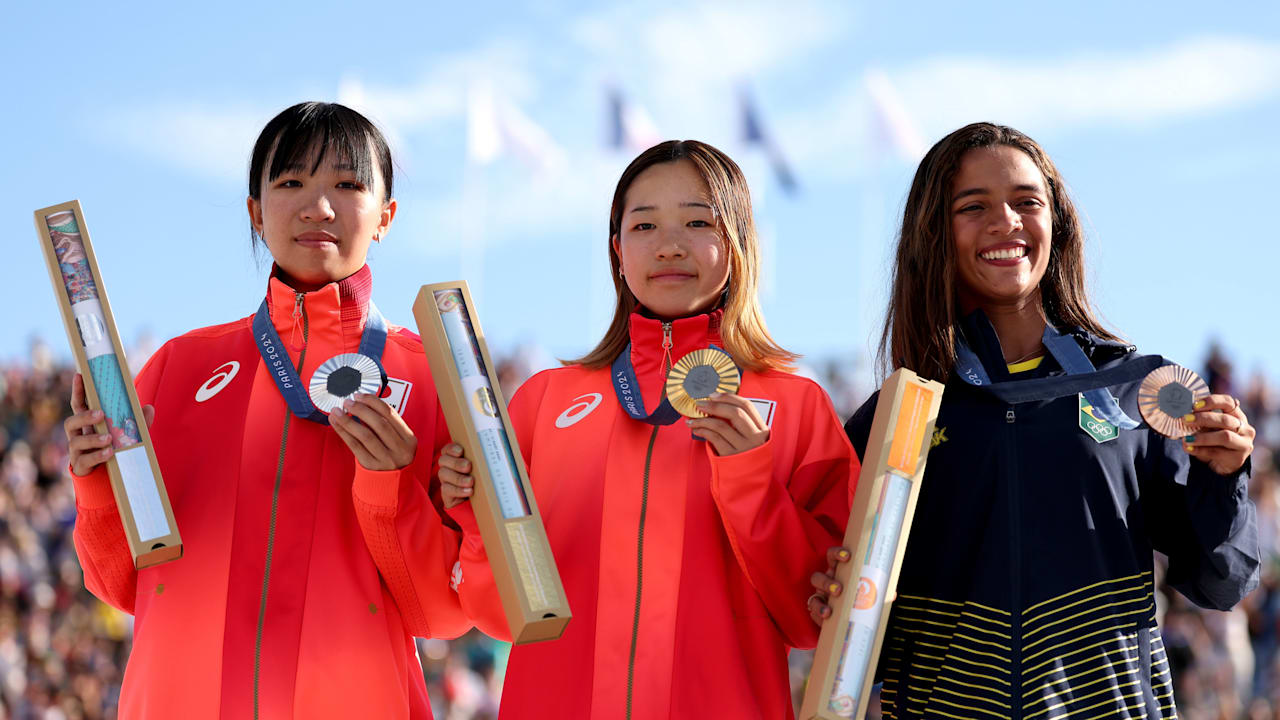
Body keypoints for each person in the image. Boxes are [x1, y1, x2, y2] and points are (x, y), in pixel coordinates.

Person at [809, 122, 1260, 718]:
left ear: (1058, 222)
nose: (1007, 222)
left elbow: (1220, 583)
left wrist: (1224, 479)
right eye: (974, 206)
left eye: (1027, 202)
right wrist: (826, 594)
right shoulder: (895, 419)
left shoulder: (1133, 390)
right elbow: (843, 611)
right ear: (934, 234)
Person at [63, 102, 469, 719]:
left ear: (386, 215)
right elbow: (124, 584)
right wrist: (95, 483)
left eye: (347, 184)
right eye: (290, 183)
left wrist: (391, 488)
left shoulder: (436, 377)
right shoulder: (179, 368)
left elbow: (441, 610)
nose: (319, 206)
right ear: (255, 212)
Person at [439, 140, 857, 718]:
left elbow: (814, 618)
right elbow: (496, 611)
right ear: (617, 250)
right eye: (644, 226)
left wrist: (750, 484)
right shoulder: (544, 401)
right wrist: (474, 512)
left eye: (697, 221)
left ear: (737, 245)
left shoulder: (794, 405)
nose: (669, 245)